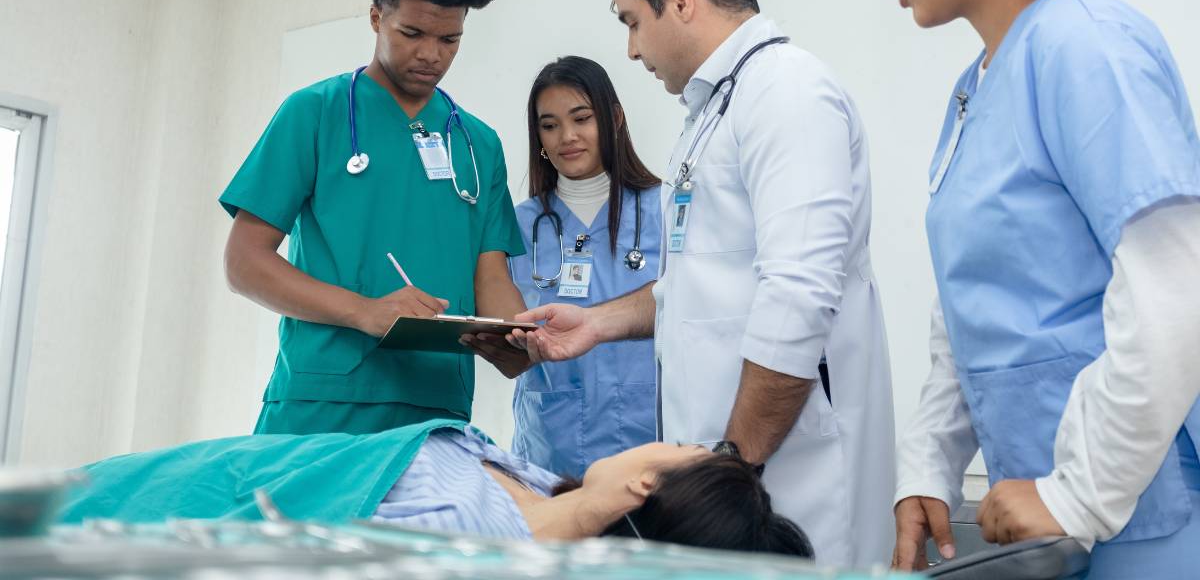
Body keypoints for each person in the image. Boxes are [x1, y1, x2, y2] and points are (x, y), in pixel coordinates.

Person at [876, 0, 1200, 577]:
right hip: (1042, 506)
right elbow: (968, 310)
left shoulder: (1087, 48)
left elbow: (1174, 291)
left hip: (1139, 507)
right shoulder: (975, 89)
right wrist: (928, 466)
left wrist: (1078, 494)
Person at [509, 0, 895, 567]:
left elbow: (798, 296)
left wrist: (733, 469)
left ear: (681, 1)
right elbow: (692, 288)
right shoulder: (712, 113)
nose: (631, 49)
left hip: (784, 477)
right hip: (725, 481)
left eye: (633, 21)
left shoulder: (785, 91)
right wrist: (597, 323)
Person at [220, 0, 526, 437]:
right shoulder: (314, 114)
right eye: (412, 33)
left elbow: (491, 276)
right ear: (375, 17)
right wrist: (364, 312)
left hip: (437, 409)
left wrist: (517, 338)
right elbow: (244, 263)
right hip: (322, 401)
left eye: (449, 39)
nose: (430, 54)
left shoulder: (479, 143)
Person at [57, 418, 813, 558]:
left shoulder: (461, 540)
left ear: (645, 485)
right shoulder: (536, 485)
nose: (666, 437)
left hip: (152, 517)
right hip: (183, 472)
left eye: (682, 448)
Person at [466, 57, 661, 479]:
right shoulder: (516, 226)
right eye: (550, 125)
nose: (567, 137)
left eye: (582, 118)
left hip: (652, 445)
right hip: (551, 451)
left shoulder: (666, 210)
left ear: (614, 118)